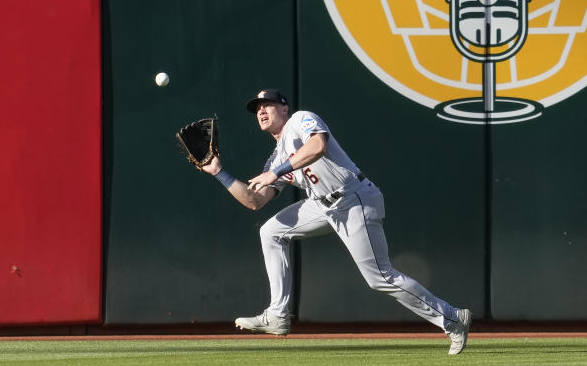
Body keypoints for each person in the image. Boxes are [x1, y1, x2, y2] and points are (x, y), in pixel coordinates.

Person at [201, 88, 472, 355]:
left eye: (268, 104)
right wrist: (219, 173)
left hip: (354, 199)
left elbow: (318, 146)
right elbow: (254, 201)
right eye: (257, 108)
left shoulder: (300, 120)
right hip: (322, 205)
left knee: (380, 277)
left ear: (285, 108)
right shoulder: (277, 156)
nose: (261, 110)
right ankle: (277, 315)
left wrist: (276, 172)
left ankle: (451, 318)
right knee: (270, 231)